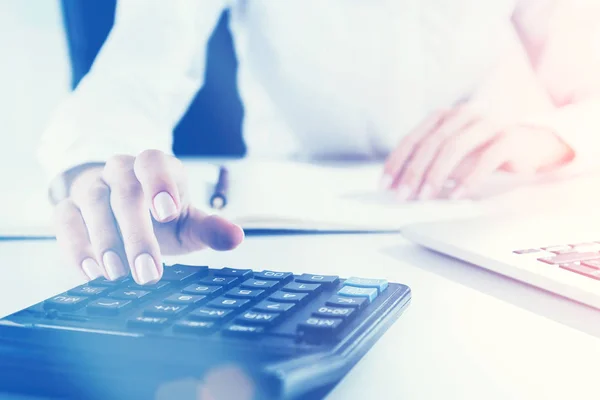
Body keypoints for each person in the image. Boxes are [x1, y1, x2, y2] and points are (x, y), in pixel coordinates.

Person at [39, 0, 600, 285]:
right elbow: (128, 78)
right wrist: (98, 176)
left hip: (486, 230)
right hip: (288, 246)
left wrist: (548, 136)